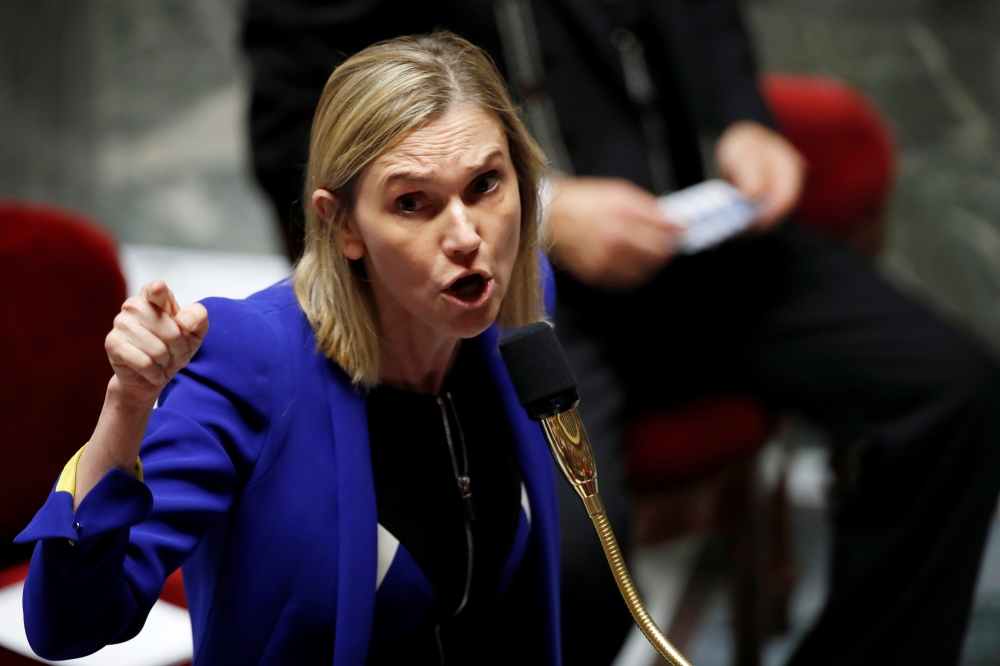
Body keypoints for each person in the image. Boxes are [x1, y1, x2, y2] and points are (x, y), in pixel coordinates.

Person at [243, 2, 1000, 666]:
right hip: (508, 284)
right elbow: (294, 133)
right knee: (568, 572)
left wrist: (741, 118)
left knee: (953, 395)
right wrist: (546, 210)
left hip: (696, 229)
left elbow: (705, 18)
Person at [16, 32, 563, 665]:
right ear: (344, 224)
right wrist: (128, 404)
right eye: (413, 203)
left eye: (486, 185)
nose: (467, 236)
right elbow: (69, 623)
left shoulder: (515, 307)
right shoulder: (249, 362)